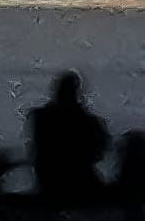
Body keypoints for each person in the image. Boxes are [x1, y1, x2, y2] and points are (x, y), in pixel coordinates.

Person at [28, 72, 111, 206]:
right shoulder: (85, 121)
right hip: (71, 181)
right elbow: (100, 150)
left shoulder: (42, 117)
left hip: (55, 181)